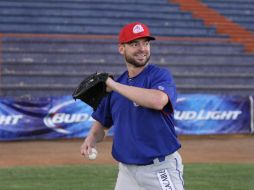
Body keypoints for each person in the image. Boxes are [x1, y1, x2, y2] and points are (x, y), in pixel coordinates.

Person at [80, 22, 184, 190]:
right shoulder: (114, 86)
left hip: (159, 168)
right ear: (122, 49)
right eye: (135, 44)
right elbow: (102, 123)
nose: (142, 48)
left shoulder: (159, 76)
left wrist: (112, 85)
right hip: (127, 172)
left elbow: (158, 101)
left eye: (146, 43)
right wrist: (91, 138)